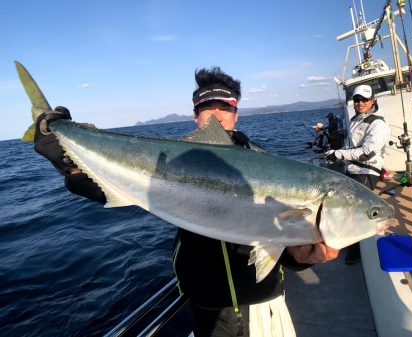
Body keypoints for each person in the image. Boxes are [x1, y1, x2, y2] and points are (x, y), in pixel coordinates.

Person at [33, 66, 340, 337]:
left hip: (264, 304)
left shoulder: (268, 165)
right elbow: (110, 185)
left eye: (225, 106)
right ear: (196, 116)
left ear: (237, 112)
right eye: (208, 106)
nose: (217, 114)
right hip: (206, 307)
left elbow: (282, 245)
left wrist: (301, 257)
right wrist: (68, 164)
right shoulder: (172, 160)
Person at [324, 84, 390, 265]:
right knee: (343, 207)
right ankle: (346, 241)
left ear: (372, 101)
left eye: (364, 99)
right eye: (357, 99)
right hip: (351, 170)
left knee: (355, 212)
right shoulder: (355, 119)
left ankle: (355, 252)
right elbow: (349, 147)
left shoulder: (378, 123)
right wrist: (335, 154)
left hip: (366, 172)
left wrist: (339, 154)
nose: (360, 103)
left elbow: (367, 152)